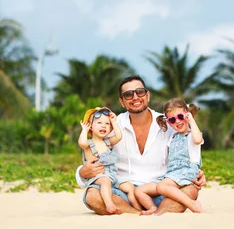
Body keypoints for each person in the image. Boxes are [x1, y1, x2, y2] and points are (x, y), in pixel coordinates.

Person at [75, 75, 207, 215]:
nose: (135, 97)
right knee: (92, 196)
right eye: (128, 94)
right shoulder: (111, 125)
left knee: (190, 190)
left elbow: (189, 148)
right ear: (122, 102)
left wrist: (198, 172)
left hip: (160, 190)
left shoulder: (170, 123)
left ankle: (156, 214)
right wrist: (83, 172)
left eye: (140, 92)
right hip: (123, 192)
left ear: (148, 95)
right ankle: (137, 214)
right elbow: (90, 155)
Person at [136, 99, 205, 214]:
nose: (177, 121)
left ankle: (191, 204)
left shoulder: (193, 135)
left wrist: (191, 120)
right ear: (168, 122)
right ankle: (153, 208)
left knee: (162, 187)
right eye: (172, 120)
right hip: (171, 175)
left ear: (187, 115)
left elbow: (198, 140)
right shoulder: (172, 138)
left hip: (185, 171)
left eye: (180, 116)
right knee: (140, 191)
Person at [78, 107, 141, 214]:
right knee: (105, 181)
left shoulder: (107, 142)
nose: (103, 126)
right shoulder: (89, 144)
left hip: (113, 175)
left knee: (129, 187)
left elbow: (119, 136)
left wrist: (114, 122)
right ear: (91, 127)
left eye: (107, 124)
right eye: (99, 123)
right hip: (98, 176)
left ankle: (138, 209)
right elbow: (82, 143)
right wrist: (84, 130)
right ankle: (109, 204)